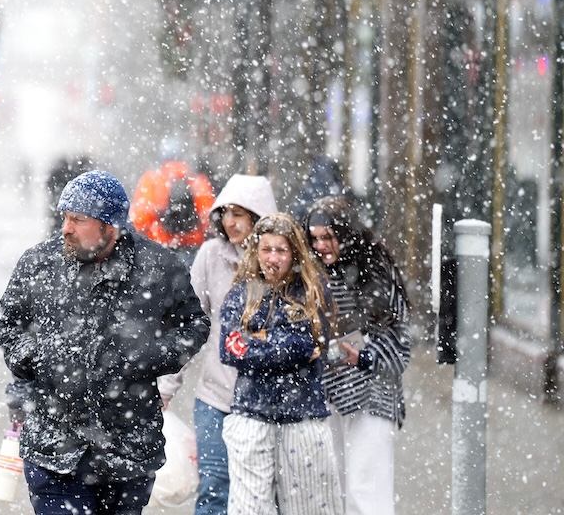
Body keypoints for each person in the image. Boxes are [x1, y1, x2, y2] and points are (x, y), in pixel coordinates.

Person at [0, 170, 210, 515]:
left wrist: (150, 357)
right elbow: (6, 319)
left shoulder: (158, 267)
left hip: (128, 450)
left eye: (78, 220)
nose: (66, 228)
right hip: (54, 446)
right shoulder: (40, 263)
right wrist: (34, 358)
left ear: (110, 227)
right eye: (65, 217)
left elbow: (194, 324)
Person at [156, 174, 278, 515]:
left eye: (239, 214)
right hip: (216, 396)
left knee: (265, 492)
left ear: (259, 217)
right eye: (225, 213)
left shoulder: (279, 259)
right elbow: (188, 325)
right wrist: (166, 387)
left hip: (267, 400)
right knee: (214, 487)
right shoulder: (211, 256)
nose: (230, 222)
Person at [219, 213, 342, 515]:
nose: (272, 258)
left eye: (281, 250)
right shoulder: (240, 294)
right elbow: (230, 350)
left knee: (311, 509)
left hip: (303, 415)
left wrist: (259, 341)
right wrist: (287, 345)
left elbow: (313, 343)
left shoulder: (312, 291)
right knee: (249, 509)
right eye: (266, 249)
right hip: (250, 412)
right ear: (255, 251)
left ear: (294, 253)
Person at [304, 196, 410, 515]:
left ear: (345, 233)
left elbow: (399, 335)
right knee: (334, 485)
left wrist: (364, 355)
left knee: (366, 488)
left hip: (373, 391)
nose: (321, 245)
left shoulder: (375, 266)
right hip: (329, 390)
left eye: (328, 236)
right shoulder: (312, 272)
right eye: (315, 238)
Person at [128, 138, 216, 265]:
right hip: (193, 250)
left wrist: (158, 216)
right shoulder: (197, 180)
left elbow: (139, 219)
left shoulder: (152, 180)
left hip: (160, 249)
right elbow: (209, 218)